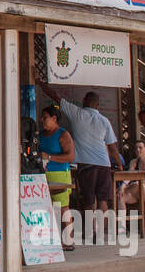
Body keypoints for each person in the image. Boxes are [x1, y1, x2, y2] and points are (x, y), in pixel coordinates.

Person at [39, 83, 123, 225]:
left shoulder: (77, 113)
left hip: (86, 164)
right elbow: (112, 147)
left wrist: (40, 83)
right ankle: (103, 232)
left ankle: (92, 230)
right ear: (97, 105)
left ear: (84, 100)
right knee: (102, 199)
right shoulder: (105, 121)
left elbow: (55, 97)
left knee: (89, 199)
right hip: (104, 163)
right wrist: (120, 165)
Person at [38, 105, 77, 252]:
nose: (42, 120)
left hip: (60, 174)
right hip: (43, 174)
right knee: (46, 208)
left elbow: (70, 156)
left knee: (62, 208)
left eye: (45, 117)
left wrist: (49, 157)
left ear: (54, 118)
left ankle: (68, 240)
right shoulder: (41, 134)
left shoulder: (63, 134)